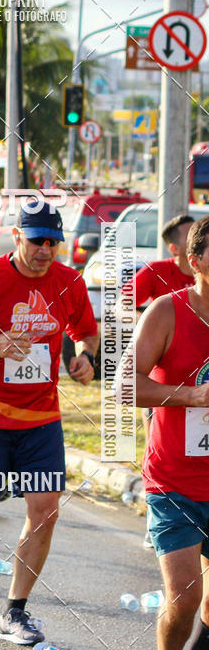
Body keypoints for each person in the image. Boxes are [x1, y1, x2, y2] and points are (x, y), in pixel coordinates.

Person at [0, 202, 99, 648]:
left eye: (53, 242)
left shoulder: (69, 281)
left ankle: (14, 610)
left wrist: (83, 356)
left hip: (41, 420)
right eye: (37, 240)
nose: (46, 250)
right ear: (17, 236)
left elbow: (85, 330)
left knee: (45, 511)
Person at [135, 215, 209, 650]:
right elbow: (129, 386)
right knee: (184, 595)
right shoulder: (169, 311)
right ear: (197, 260)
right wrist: (190, 396)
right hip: (174, 480)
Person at [118, 213, 196, 548]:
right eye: (189, 234)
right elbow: (122, 303)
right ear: (175, 247)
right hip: (160, 372)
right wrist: (147, 322)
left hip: (197, 370)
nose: (196, 235)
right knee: (159, 438)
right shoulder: (156, 272)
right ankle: (160, 517)